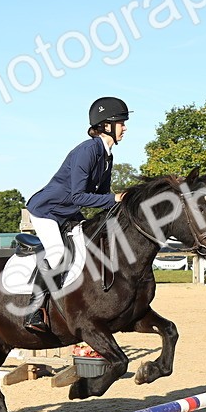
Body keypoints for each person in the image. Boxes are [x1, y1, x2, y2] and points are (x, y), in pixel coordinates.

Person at [23, 96, 128, 333]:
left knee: (91, 244)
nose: (125, 128)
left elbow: (102, 196)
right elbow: (78, 196)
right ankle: (34, 310)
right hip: (47, 210)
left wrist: (120, 207)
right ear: (106, 125)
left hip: (68, 212)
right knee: (58, 252)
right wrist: (115, 199)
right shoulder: (87, 151)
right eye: (121, 122)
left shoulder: (107, 156)